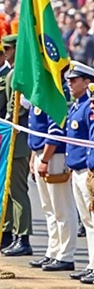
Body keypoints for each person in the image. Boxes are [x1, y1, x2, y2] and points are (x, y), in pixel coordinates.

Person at [27, 104, 77, 272]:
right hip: (42, 152)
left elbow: (55, 131)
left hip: (54, 154)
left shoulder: (54, 92)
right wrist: (35, 157)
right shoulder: (41, 94)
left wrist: (45, 159)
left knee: (61, 207)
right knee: (48, 208)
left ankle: (65, 255)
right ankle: (53, 250)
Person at [1, 34, 34, 258]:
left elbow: (18, 108)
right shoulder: (14, 72)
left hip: (19, 141)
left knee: (18, 191)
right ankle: (13, 233)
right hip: (11, 137)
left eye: (7, 49)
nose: (4, 53)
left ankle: (23, 237)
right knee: (10, 191)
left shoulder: (21, 74)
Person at [63, 62, 94, 283]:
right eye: (69, 80)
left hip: (87, 170)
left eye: (75, 80)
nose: (70, 84)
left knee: (92, 221)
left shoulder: (89, 107)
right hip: (76, 170)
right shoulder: (76, 106)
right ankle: (91, 264)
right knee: (87, 221)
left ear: (87, 82)